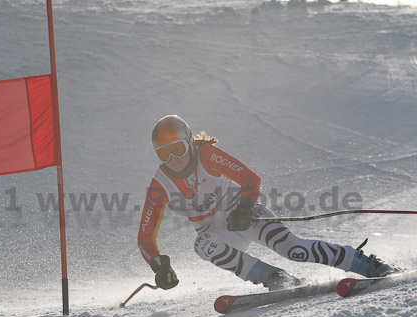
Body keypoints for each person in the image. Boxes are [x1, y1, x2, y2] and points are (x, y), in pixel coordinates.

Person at [137, 115, 394, 291]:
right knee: (202, 245)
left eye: (178, 150)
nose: (173, 159)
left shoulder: (207, 154)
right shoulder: (160, 185)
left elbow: (250, 179)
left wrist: (244, 207)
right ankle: (277, 279)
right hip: (214, 234)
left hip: (243, 216)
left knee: (295, 250)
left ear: (190, 143)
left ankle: (367, 264)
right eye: (163, 153)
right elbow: (145, 237)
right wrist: (159, 266)